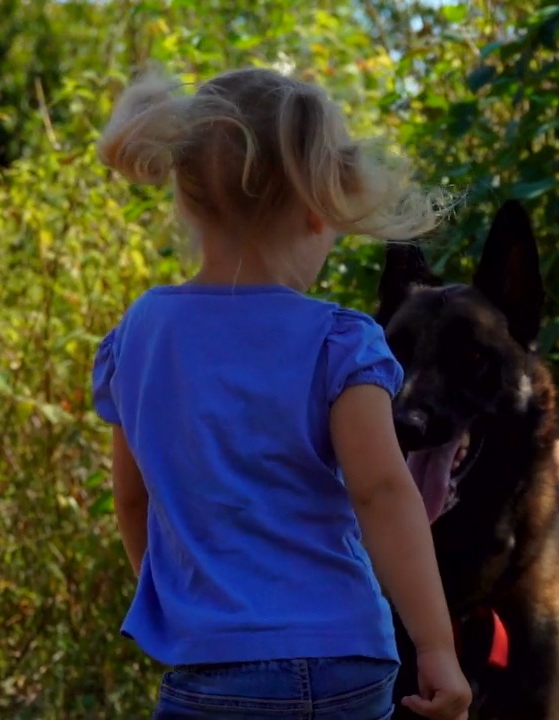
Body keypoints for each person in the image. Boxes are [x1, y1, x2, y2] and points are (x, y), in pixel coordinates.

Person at [89, 66, 471, 720]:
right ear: (317, 209)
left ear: (186, 197)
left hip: (212, 669)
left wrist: (196, 611)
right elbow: (382, 493)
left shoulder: (140, 337)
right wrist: (436, 644)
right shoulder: (339, 340)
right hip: (347, 662)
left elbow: (132, 498)